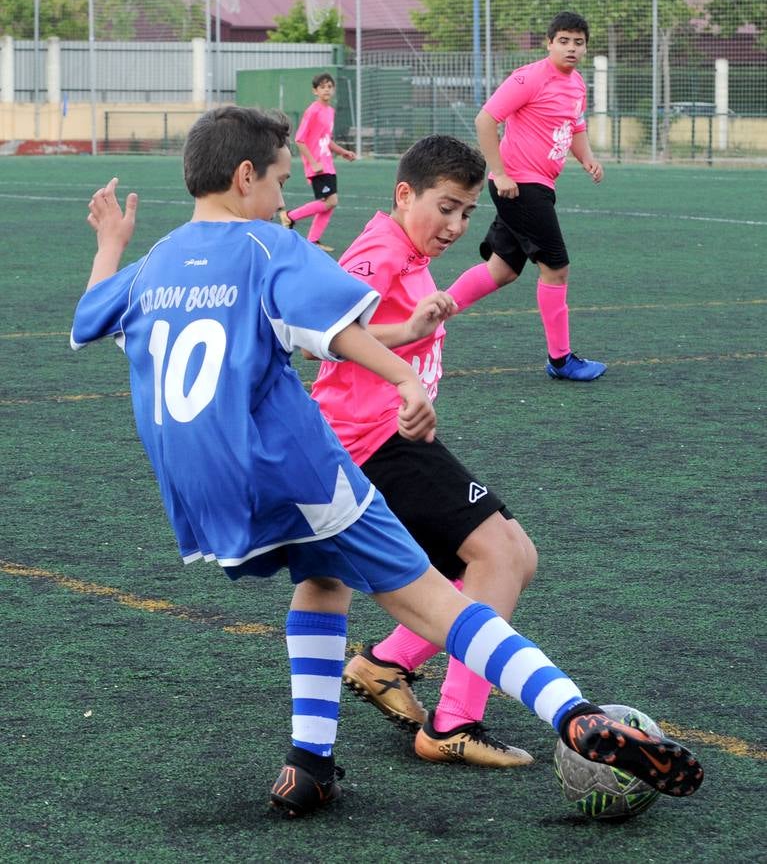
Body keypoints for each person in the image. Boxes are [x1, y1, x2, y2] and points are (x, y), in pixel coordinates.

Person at [70, 106, 703, 818]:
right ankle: (573, 714)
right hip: (300, 464)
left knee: (322, 579)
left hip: (203, 490)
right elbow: (335, 332)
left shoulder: (154, 262)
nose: (288, 197)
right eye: (282, 181)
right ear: (245, 177)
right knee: (440, 599)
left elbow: (93, 311)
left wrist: (111, 242)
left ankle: (308, 767)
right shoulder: (266, 248)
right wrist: (404, 379)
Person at [312, 134, 541, 768]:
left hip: (396, 437)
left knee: (515, 555)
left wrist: (513, 239)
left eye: (467, 213)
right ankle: (453, 726)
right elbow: (318, 334)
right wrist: (408, 330)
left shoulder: (409, 251)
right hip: (372, 442)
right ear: (404, 193)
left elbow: (457, 293)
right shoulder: (379, 250)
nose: (456, 225)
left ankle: (388, 662)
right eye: (446, 208)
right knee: (495, 552)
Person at [459, 11, 606, 381]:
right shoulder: (529, 77)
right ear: (549, 42)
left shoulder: (577, 85)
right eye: (564, 40)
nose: (572, 48)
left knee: (502, 270)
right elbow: (485, 120)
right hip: (520, 186)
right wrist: (500, 172)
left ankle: (429, 313)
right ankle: (561, 361)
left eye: (579, 42)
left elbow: (576, 126)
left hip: (538, 186)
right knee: (556, 268)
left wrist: (587, 158)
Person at [277, 71, 355, 253]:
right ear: (315, 91)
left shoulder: (330, 111)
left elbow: (326, 139)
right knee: (331, 201)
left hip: (328, 164)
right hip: (318, 165)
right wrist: (313, 163)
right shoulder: (313, 110)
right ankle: (289, 216)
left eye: (329, 86)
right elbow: (299, 139)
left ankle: (313, 240)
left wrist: (343, 152)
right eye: (322, 87)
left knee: (328, 202)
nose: (326, 90)